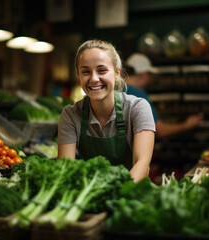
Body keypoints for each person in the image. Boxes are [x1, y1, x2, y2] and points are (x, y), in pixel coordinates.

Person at [57, 40, 156, 182]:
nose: (94, 78)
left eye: (102, 70)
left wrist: (117, 195)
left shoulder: (138, 108)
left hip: (132, 193)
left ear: (116, 73)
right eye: (85, 72)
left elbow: (142, 164)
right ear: (78, 75)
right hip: (92, 193)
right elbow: (65, 169)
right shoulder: (71, 115)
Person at [124, 53, 204, 139]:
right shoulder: (137, 94)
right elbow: (160, 131)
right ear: (144, 75)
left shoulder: (115, 90)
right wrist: (187, 125)